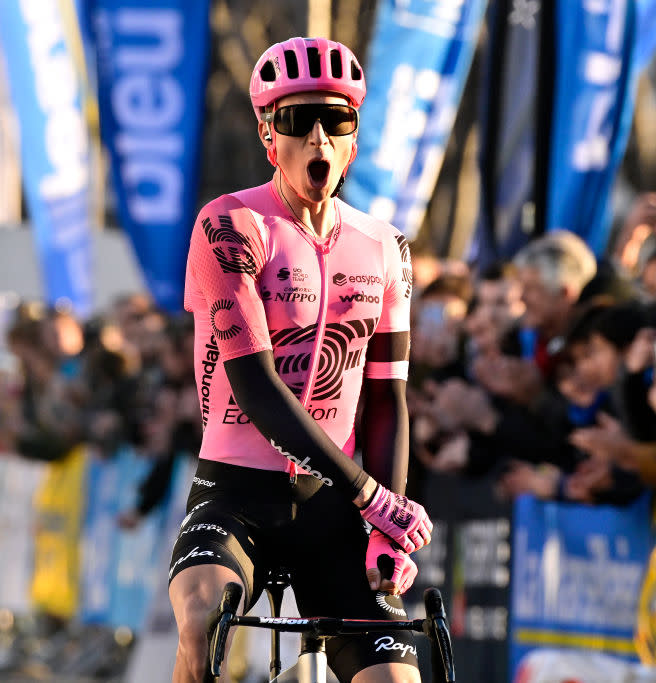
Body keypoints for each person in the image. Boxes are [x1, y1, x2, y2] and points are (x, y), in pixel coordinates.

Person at [167, 37, 432, 683]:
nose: (318, 137)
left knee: (398, 680)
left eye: (335, 120)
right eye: (296, 119)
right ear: (268, 134)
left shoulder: (385, 247)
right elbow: (255, 386)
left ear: (354, 138)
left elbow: (385, 400)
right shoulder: (229, 226)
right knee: (202, 616)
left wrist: (385, 527)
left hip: (332, 507)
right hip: (235, 495)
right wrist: (371, 494)